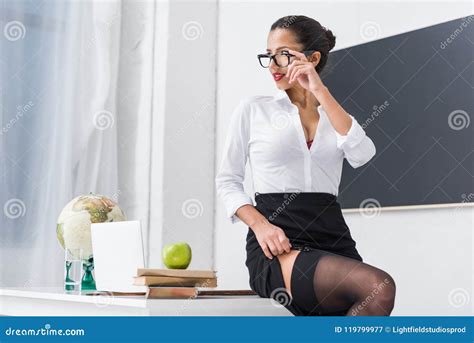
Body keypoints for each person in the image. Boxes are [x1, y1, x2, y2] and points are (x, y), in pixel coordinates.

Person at [215, 15, 396, 316]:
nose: (273, 65)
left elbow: (363, 153)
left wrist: (320, 92)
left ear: (312, 58)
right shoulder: (253, 109)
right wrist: (260, 226)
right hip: (277, 240)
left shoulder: (333, 115)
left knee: (371, 299)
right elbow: (227, 181)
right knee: (379, 286)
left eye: (283, 55)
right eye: (269, 56)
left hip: (331, 234)